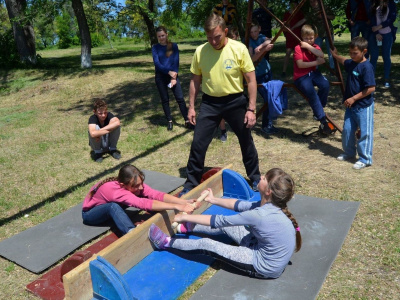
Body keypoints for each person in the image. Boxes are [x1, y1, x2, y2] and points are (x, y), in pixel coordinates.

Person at [148, 168, 302, 279]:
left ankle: (165, 243)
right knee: (234, 226)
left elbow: (220, 221)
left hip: (263, 265)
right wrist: (212, 199)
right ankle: (186, 228)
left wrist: (185, 217)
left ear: (268, 191)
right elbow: (238, 204)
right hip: (260, 247)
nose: (261, 176)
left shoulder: (260, 215)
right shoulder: (270, 205)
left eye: (264, 178)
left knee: (209, 245)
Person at [180, 14, 261, 195]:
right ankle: (191, 183)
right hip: (210, 103)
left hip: (235, 101)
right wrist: (191, 107)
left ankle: (255, 177)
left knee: (246, 140)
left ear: (225, 31)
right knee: (198, 143)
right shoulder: (201, 51)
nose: (213, 41)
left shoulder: (238, 49)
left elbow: (251, 80)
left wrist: (251, 109)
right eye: (209, 38)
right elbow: (195, 81)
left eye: (217, 37)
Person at [82, 164, 195, 235]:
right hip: (91, 214)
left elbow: (155, 194)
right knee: (113, 206)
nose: (140, 187)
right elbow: (143, 204)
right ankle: (131, 232)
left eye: (141, 183)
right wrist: (175, 206)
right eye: (136, 185)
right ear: (123, 185)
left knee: (142, 194)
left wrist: (182, 202)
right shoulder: (115, 191)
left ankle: (169, 215)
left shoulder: (132, 183)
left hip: (112, 204)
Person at [331, 37, 376, 170]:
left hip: (363, 106)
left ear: (364, 51)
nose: (352, 55)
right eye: (350, 52)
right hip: (351, 107)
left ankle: (365, 159)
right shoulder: (352, 63)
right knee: (347, 130)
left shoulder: (366, 67)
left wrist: (353, 98)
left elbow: (371, 88)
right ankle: (349, 152)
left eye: (355, 53)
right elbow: (344, 61)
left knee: (365, 132)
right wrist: (335, 55)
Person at [293, 25, 332, 135]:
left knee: (325, 85)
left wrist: (309, 47)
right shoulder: (298, 48)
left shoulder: (314, 46)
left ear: (315, 37)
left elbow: (321, 54)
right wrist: (316, 63)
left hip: (314, 73)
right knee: (312, 94)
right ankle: (322, 119)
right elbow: (300, 65)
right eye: (306, 38)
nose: (309, 40)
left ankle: (318, 110)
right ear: (302, 38)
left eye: (311, 38)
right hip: (301, 76)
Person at [152, 26, 190, 131]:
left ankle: (187, 120)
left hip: (173, 76)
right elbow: (157, 63)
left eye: (163, 35)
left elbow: (176, 61)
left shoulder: (173, 46)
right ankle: (169, 121)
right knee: (165, 100)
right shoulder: (155, 47)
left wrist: (174, 76)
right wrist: (169, 72)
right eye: (159, 36)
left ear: (167, 34)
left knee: (180, 99)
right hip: (160, 77)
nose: (161, 38)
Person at [248, 21, 277, 134]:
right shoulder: (249, 41)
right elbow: (252, 59)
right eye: (251, 32)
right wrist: (264, 50)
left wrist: (261, 46)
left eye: (255, 31)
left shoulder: (261, 37)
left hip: (267, 71)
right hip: (258, 75)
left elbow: (270, 41)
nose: (254, 34)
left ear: (259, 29)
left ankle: (268, 123)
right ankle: (265, 125)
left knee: (271, 96)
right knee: (267, 98)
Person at [368, 0, 397, 88]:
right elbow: (371, 19)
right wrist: (376, 32)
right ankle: (371, 80)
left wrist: (379, 27)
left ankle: (386, 79)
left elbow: (391, 19)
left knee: (386, 56)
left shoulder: (391, 4)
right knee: (373, 57)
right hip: (375, 34)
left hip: (387, 34)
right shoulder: (373, 3)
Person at [88, 98, 121, 163]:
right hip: (98, 144)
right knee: (95, 128)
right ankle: (98, 153)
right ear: (94, 112)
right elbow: (93, 134)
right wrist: (109, 129)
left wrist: (100, 132)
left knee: (116, 126)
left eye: (105, 112)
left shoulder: (109, 115)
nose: (103, 115)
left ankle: (113, 150)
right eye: (100, 113)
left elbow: (117, 123)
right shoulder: (92, 118)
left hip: (108, 141)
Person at [305, 0, 335, 69]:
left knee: (331, 51)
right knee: (316, 51)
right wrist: (293, 27)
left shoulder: (325, 8)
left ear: (318, 1)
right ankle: (315, 69)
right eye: (311, 2)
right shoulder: (311, 12)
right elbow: (303, 20)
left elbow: (333, 17)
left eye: (314, 1)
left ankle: (333, 69)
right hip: (318, 34)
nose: (312, 3)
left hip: (328, 32)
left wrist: (324, 16)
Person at [282, 0, 306, 77]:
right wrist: (286, 29)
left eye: (295, 3)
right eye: (292, 3)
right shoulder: (286, 14)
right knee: (288, 52)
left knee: (298, 53)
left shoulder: (300, 14)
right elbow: (284, 26)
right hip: (290, 36)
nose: (294, 5)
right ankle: (284, 71)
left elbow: (303, 23)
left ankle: (300, 70)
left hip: (298, 36)